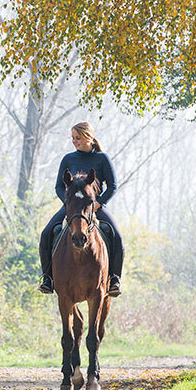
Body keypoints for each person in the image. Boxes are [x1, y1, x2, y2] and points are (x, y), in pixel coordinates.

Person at [38, 121, 124, 296]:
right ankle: (47, 278)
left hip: (95, 208)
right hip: (72, 208)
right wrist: (68, 203)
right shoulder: (68, 159)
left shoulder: (102, 159)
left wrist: (99, 203)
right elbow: (59, 187)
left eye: (77, 138)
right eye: (73, 138)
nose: (74, 141)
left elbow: (112, 186)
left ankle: (114, 279)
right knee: (46, 233)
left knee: (117, 237)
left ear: (89, 137)